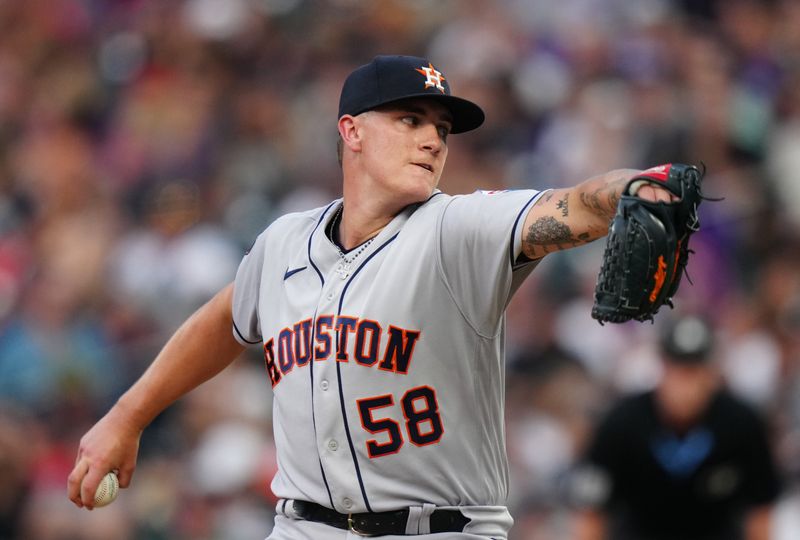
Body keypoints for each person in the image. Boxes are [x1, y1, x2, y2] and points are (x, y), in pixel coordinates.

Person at [68, 55, 678, 539]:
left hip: (441, 530)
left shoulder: (457, 229)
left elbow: (573, 203)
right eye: (410, 121)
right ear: (351, 131)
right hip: (302, 527)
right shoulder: (285, 242)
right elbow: (224, 320)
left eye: (441, 129)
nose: (434, 141)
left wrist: (637, 187)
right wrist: (128, 417)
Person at [572, 314, 782, 540]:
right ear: (662, 369)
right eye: (678, 371)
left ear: (712, 373)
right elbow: (591, 511)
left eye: (694, 371)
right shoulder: (623, 424)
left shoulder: (740, 423)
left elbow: (761, 509)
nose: (686, 386)